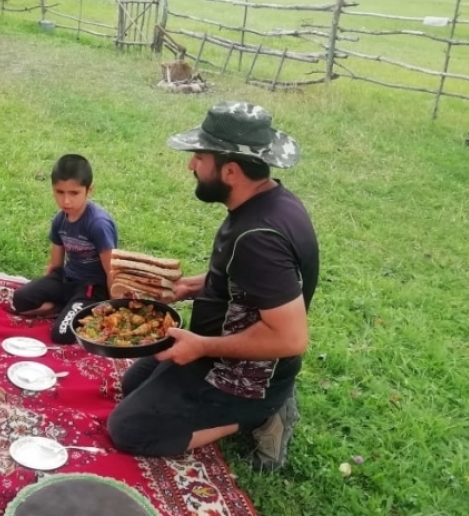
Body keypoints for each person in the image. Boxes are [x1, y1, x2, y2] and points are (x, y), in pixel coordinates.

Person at [106, 101, 319, 472]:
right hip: (222, 347)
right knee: (133, 386)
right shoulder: (272, 201)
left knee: (129, 428)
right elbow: (252, 281)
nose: (192, 165)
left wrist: (203, 346)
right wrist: (192, 286)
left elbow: (292, 338)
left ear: (231, 170)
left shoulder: (259, 239)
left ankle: (263, 413)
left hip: (246, 373)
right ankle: (260, 402)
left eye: (199, 157)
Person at [10, 154, 119, 344]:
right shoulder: (60, 220)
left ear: (89, 190)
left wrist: (115, 306)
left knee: (61, 334)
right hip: (67, 279)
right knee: (20, 300)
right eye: (59, 192)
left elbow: (112, 270)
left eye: (74, 193)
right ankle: (64, 306)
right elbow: (55, 264)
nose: (66, 201)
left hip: (91, 288)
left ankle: (82, 309)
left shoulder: (98, 224)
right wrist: (46, 286)